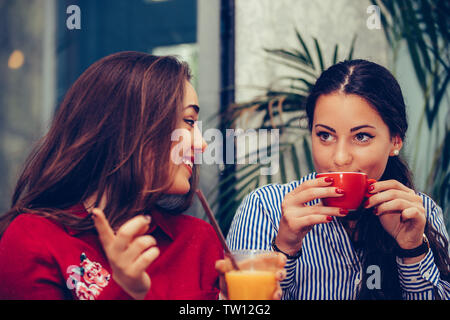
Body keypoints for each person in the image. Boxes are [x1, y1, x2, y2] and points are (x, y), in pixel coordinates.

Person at [0, 52, 224, 300]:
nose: (202, 144)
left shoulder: (198, 240)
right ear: (130, 127)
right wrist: (125, 290)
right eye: (189, 121)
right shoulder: (34, 237)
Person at [225, 59, 450, 300]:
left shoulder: (420, 214)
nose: (340, 158)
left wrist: (412, 248)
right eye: (325, 135)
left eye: (362, 136)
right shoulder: (266, 209)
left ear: (395, 140)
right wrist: (284, 249)